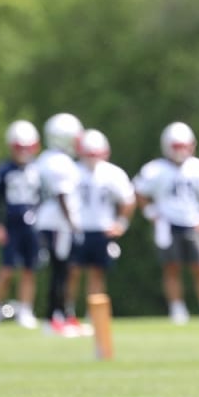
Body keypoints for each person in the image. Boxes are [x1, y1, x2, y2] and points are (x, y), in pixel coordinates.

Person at [134, 122, 199, 325]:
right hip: (167, 224)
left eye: (184, 146)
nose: (180, 151)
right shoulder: (155, 169)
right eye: (176, 146)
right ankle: (177, 310)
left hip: (192, 222)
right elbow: (138, 191)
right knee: (171, 268)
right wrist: (150, 212)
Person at [0, 120, 44, 329]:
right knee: (7, 268)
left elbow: (45, 198)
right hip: (11, 223)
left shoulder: (39, 169)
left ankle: (25, 309)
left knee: (29, 268)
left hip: (34, 224)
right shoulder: (3, 170)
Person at [68, 129, 135, 317]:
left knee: (97, 273)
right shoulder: (73, 171)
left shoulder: (113, 173)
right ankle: (67, 311)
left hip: (102, 229)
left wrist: (120, 223)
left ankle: (93, 314)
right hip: (77, 228)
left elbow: (128, 200)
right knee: (72, 272)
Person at [35, 112, 85, 336]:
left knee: (61, 271)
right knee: (60, 271)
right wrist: (73, 223)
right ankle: (55, 318)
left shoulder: (46, 158)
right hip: (57, 223)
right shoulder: (60, 163)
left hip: (48, 220)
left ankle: (61, 315)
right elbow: (62, 195)